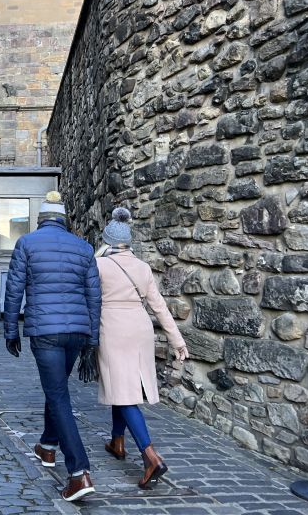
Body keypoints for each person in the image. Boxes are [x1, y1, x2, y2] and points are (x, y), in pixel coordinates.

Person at [3, 190, 102, 502]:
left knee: (58, 394)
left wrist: (10, 329)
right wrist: (92, 339)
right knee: (56, 388)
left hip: (45, 330)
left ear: (40, 219)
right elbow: (94, 297)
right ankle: (47, 446)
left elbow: (14, 288)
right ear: (64, 220)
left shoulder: (27, 244)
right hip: (76, 332)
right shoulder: (84, 247)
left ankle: (78, 472)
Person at [96, 207, 188, 489]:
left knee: (122, 393)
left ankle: (150, 456)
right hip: (140, 328)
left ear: (108, 241)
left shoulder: (99, 264)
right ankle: (117, 441)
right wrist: (177, 340)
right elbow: (159, 307)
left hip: (112, 328)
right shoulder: (144, 267)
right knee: (121, 386)